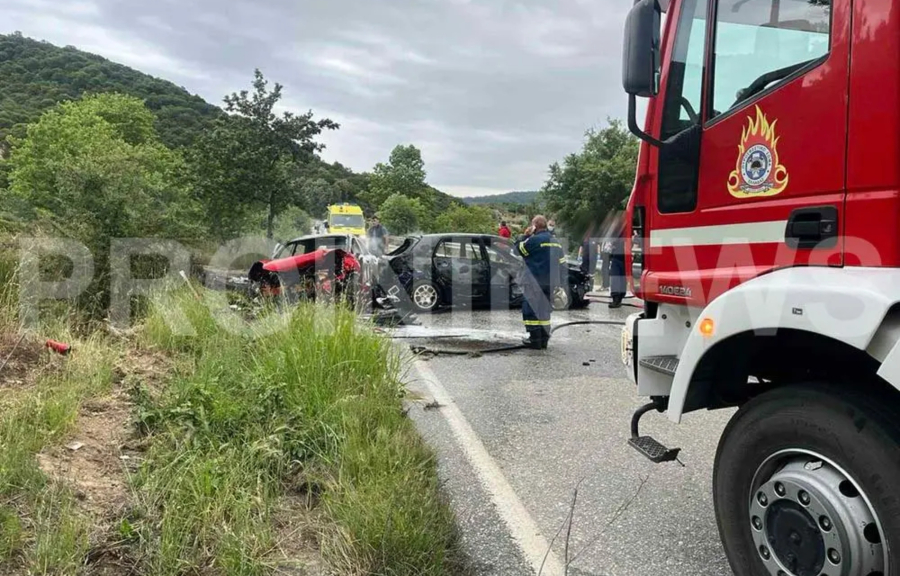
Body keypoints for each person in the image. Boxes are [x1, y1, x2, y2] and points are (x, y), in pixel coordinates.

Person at [515, 215, 565, 349]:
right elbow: (562, 264)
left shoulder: (533, 241)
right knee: (544, 312)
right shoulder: (555, 242)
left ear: (535, 226)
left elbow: (518, 249)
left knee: (530, 310)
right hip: (550, 283)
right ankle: (543, 340)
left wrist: (525, 236)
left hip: (533, 282)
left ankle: (535, 340)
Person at [608, 216, 627, 308]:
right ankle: (617, 299)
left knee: (618, 277)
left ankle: (617, 299)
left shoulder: (622, 231)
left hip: (621, 257)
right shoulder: (621, 231)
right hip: (620, 257)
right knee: (619, 278)